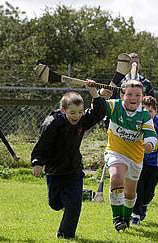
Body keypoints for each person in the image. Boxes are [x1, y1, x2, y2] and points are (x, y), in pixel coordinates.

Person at [31, 80, 105, 239]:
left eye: (80, 112)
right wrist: (38, 162)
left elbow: (99, 112)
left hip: (73, 170)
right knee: (55, 204)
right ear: (63, 110)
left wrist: (93, 92)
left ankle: (65, 235)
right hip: (54, 171)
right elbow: (43, 145)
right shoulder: (52, 123)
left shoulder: (81, 120)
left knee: (73, 206)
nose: (77, 116)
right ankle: (74, 197)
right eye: (72, 112)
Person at [98, 80, 157, 231]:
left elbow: (152, 135)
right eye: (129, 94)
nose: (133, 97)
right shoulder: (114, 106)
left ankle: (126, 217)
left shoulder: (144, 115)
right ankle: (117, 218)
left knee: (130, 194)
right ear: (122, 94)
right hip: (115, 152)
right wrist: (99, 94)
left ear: (142, 97)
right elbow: (98, 107)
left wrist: (150, 144)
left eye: (138, 95)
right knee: (116, 178)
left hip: (135, 158)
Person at [131, 96, 158, 225]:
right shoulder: (137, 120)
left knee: (148, 193)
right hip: (138, 161)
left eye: (150, 111)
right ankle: (135, 215)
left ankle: (144, 206)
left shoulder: (157, 122)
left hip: (154, 164)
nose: (147, 114)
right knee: (138, 190)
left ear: (155, 111)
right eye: (144, 110)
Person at [100, 52, 155, 128]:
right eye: (131, 63)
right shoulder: (119, 81)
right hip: (119, 119)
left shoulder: (146, 83)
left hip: (139, 121)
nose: (134, 65)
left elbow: (151, 103)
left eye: (136, 63)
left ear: (140, 65)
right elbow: (111, 99)